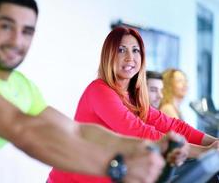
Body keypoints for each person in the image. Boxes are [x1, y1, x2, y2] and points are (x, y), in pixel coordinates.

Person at [0, 0, 172, 183]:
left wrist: (145, 146)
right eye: (6, 26)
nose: (16, 40)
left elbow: (76, 131)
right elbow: (21, 129)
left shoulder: (20, 86)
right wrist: (117, 167)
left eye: (27, 31)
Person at [48, 26, 219, 182]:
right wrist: (205, 151)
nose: (130, 57)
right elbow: (139, 132)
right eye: (121, 50)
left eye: (135, 50)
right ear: (109, 55)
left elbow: (171, 125)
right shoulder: (99, 91)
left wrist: (212, 142)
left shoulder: (133, 97)